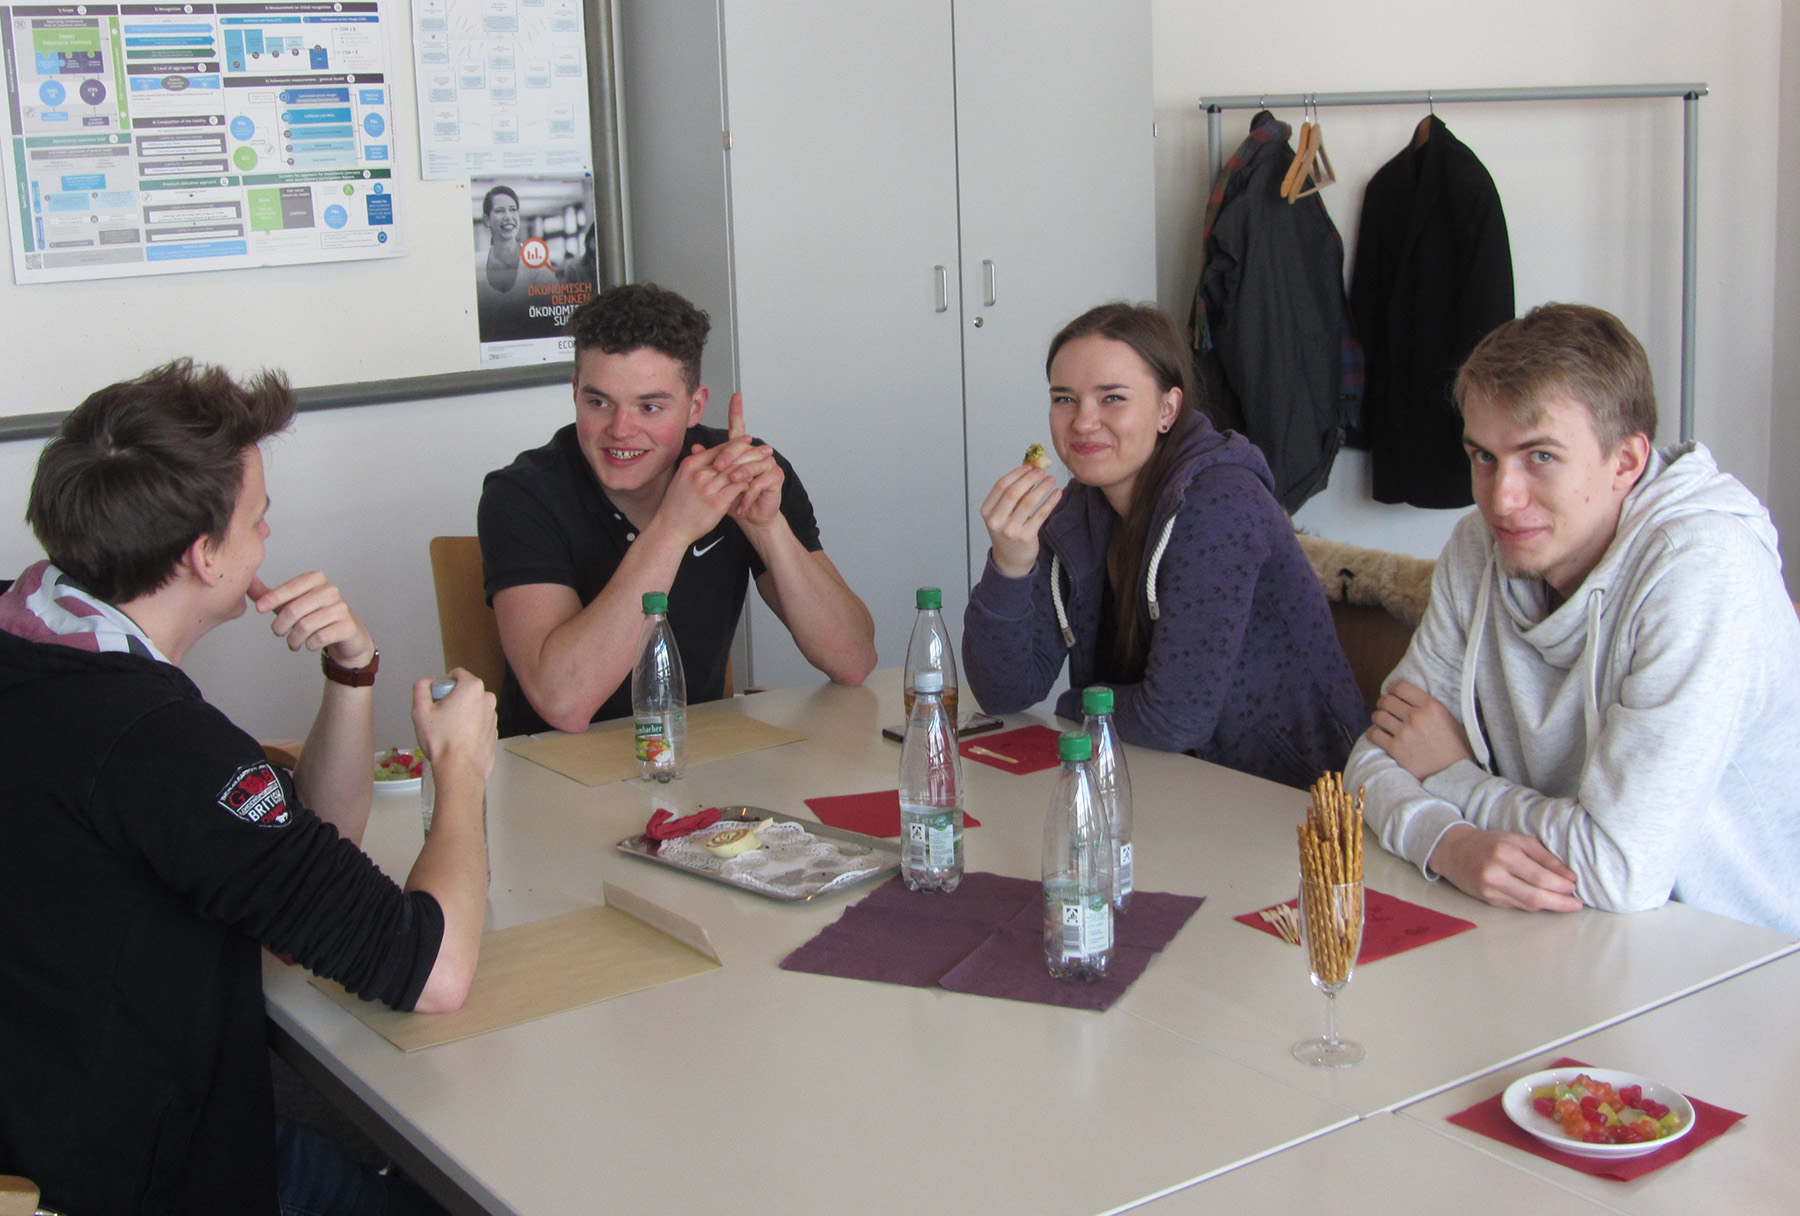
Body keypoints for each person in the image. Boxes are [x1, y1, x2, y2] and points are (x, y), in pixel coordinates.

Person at [0, 361, 498, 1215]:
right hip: (125, 1173)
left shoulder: (40, 643)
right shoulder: (152, 743)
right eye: (259, 521)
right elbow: (434, 969)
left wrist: (351, 674)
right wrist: (461, 774)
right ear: (204, 556)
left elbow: (302, 846)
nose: (269, 537)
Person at [1345, 303, 1800, 935]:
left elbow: (1618, 867)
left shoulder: (1703, 570)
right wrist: (1446, 843)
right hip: (1555, 931)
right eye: (1483, 456)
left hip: (1737, 961)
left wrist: (1453, 777)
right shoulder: (1478, 549)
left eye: (1540, 457)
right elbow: (1373, 761)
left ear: (1626, 462)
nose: (1501, 499)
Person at [962, 302, 1367, 789]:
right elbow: (1003, 691)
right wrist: (1009, 566)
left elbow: (1174, 717)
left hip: (1296, 801)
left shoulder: (1221, 502)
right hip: (1165, 779)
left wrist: (1074, 705)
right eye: (1064, 399)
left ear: (1167, 410)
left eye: (1112, 398)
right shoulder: (1076, 510)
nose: (1083, 422)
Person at [478, 282, 876, 736]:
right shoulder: (521, 494)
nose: (621, 430)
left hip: (693, 761)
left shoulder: (743, 468)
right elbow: (564, 703)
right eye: (598, 402)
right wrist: (672, 530)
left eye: (650, 407)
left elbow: (854, 660)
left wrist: (767, 529)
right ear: (574, 393)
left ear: (694, 407)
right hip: (551, 770)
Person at [474, 183, 557, 343]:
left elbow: (553, 309)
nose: (508, 216)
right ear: (487, 220)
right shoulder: (476, 264)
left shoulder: (536, 261)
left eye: (513, 209)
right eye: (499, 211)